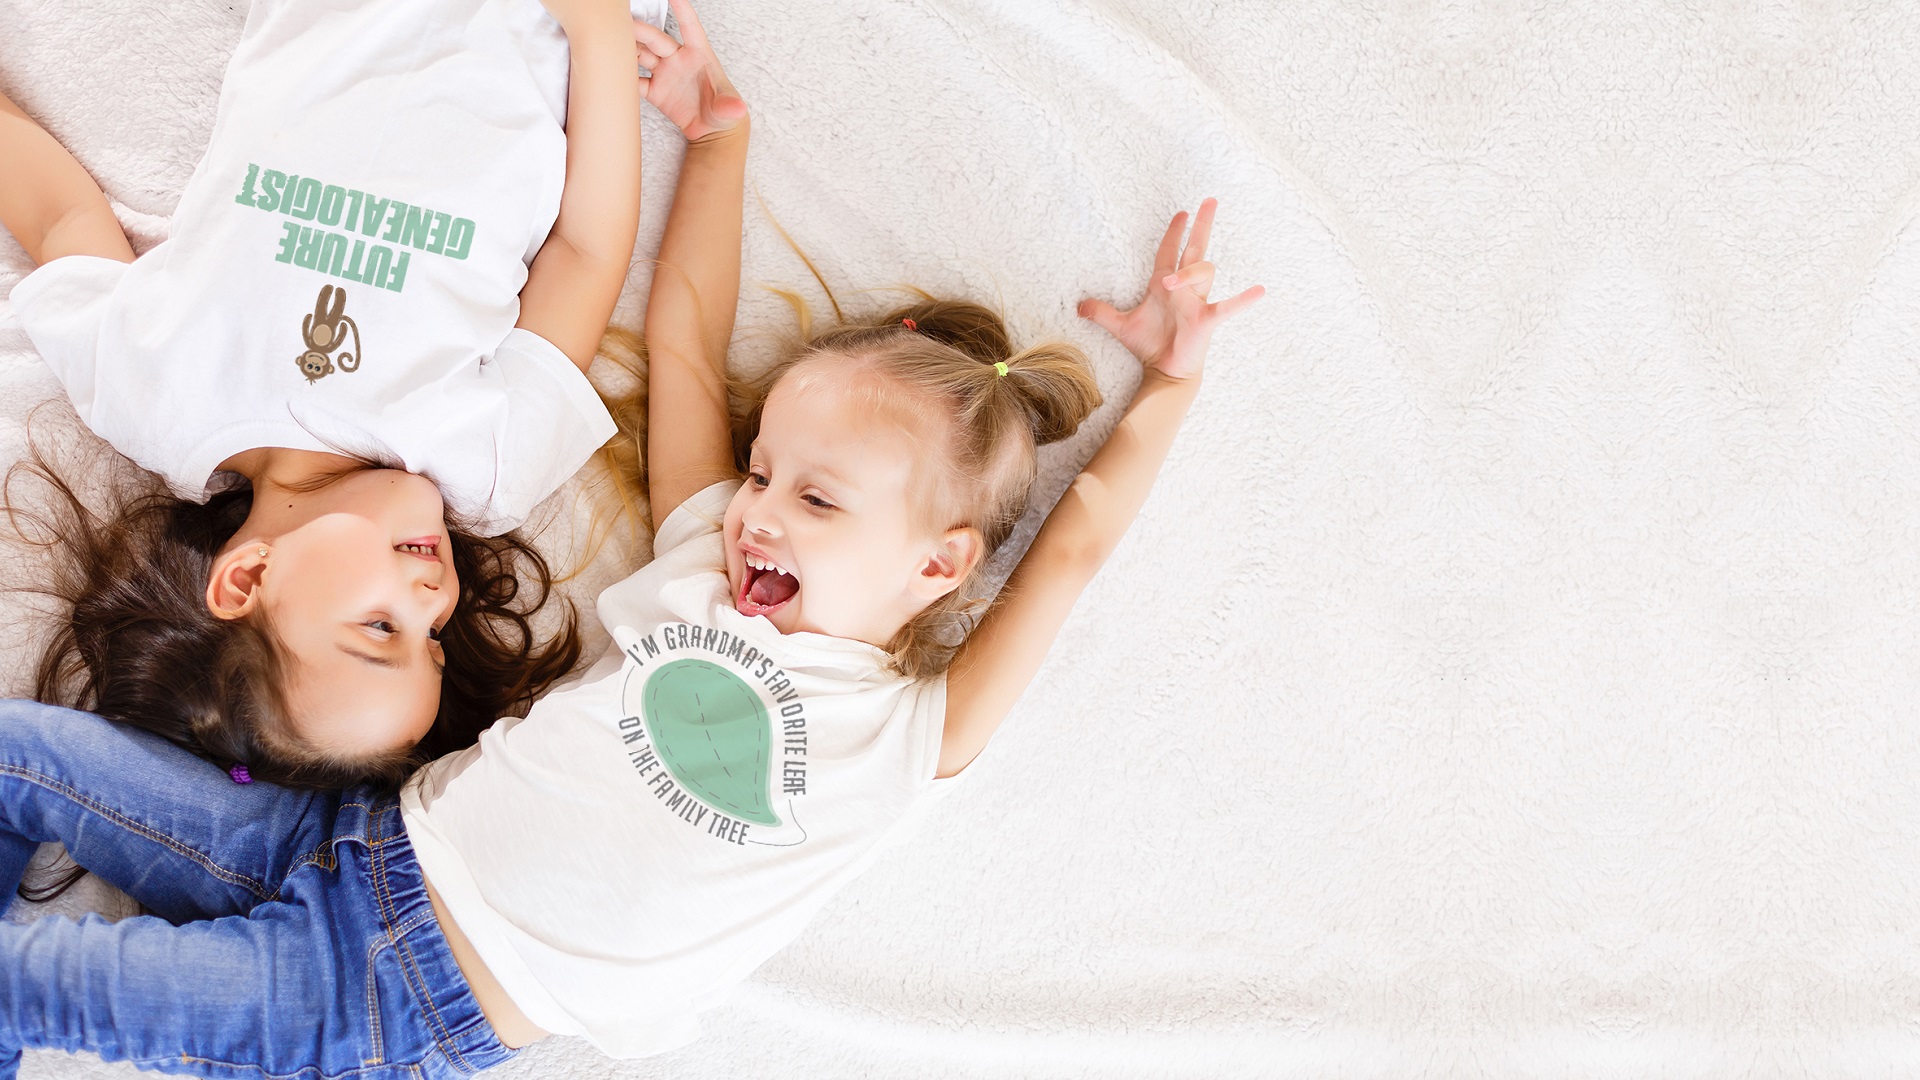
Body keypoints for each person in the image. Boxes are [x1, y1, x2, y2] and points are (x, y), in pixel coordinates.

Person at [0, 0, 1262, 1072]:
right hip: (355, 841)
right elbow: (682, 340)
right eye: (767, 470)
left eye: (812, 502)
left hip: (396, 1005)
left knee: (36, 981)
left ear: (938, 565)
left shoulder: (915, 732)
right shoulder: (709, 555)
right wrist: (720, 143)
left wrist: (1171, 389)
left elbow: (1073, 548)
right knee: (20, 757)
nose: (756, 505)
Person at [0, 0, 682, 785]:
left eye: (379, 626)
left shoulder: (154, 398)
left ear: (247, 577)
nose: (433, 599)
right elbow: (588, 251)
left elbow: (58, 219)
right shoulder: (485, 467)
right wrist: (595, 30)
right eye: (431, 639)